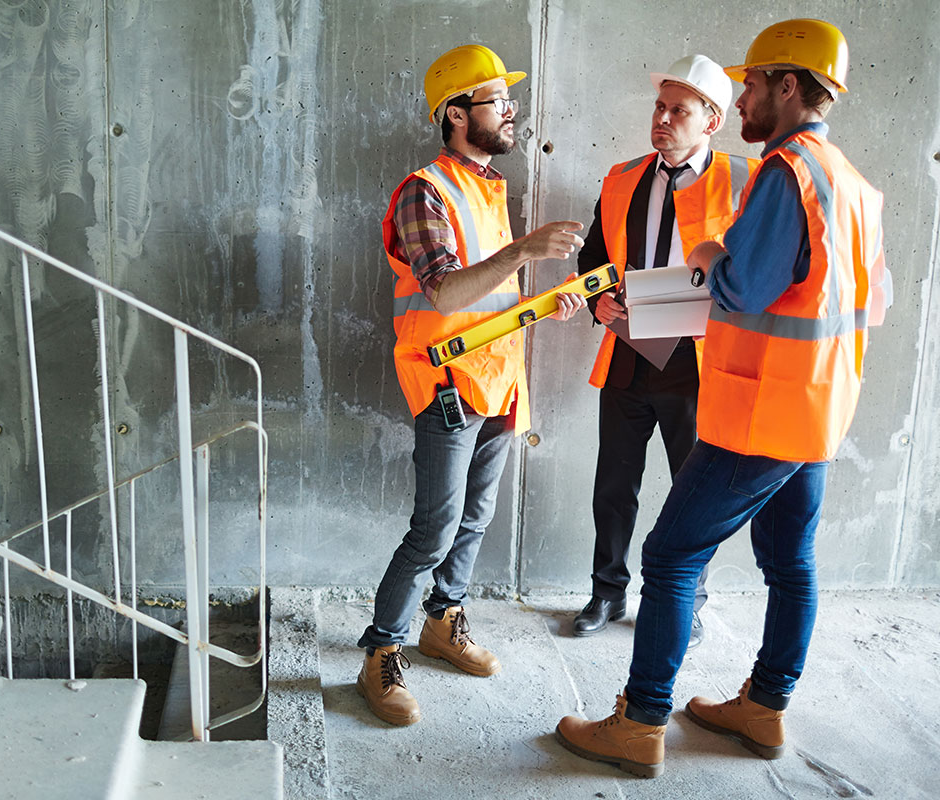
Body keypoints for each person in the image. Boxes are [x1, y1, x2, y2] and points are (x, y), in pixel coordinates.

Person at [556, 19, 888, 777]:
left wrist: (709, 251)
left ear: (789, 86)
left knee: (671, 555)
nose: (742, 100)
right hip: (818, 406)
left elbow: (740, 288)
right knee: (791, 562)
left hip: (761, 410)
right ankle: (764, 709)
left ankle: (640, 723)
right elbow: (874, 300)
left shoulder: (783, 172)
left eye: (751, 85)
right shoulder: (850, 181)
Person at [357, 44, 587, 726]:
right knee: (433, 530)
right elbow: (447, 290)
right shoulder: (424, 190)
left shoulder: (487, 187)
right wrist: (525, 250)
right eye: (497, 100)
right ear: (456, 114)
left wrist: (546, 302)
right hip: (449, 385)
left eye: (509, 99)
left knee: (476, 519)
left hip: (499, 380)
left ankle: (442, 620)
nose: (512, 110)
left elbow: (491, 299)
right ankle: (380, 651)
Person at [572, 56, 759, 647]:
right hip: (628, 352)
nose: (663, 118)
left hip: (700, 363)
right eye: (659, 107)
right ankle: (606, 592)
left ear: (712, 121)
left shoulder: (746, 180)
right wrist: (599, 300)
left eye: (679, 110)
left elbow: (754, 274)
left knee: (694, 491)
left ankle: (687, 603)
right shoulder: (622, 178)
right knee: (614, 483)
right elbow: (593, 260)